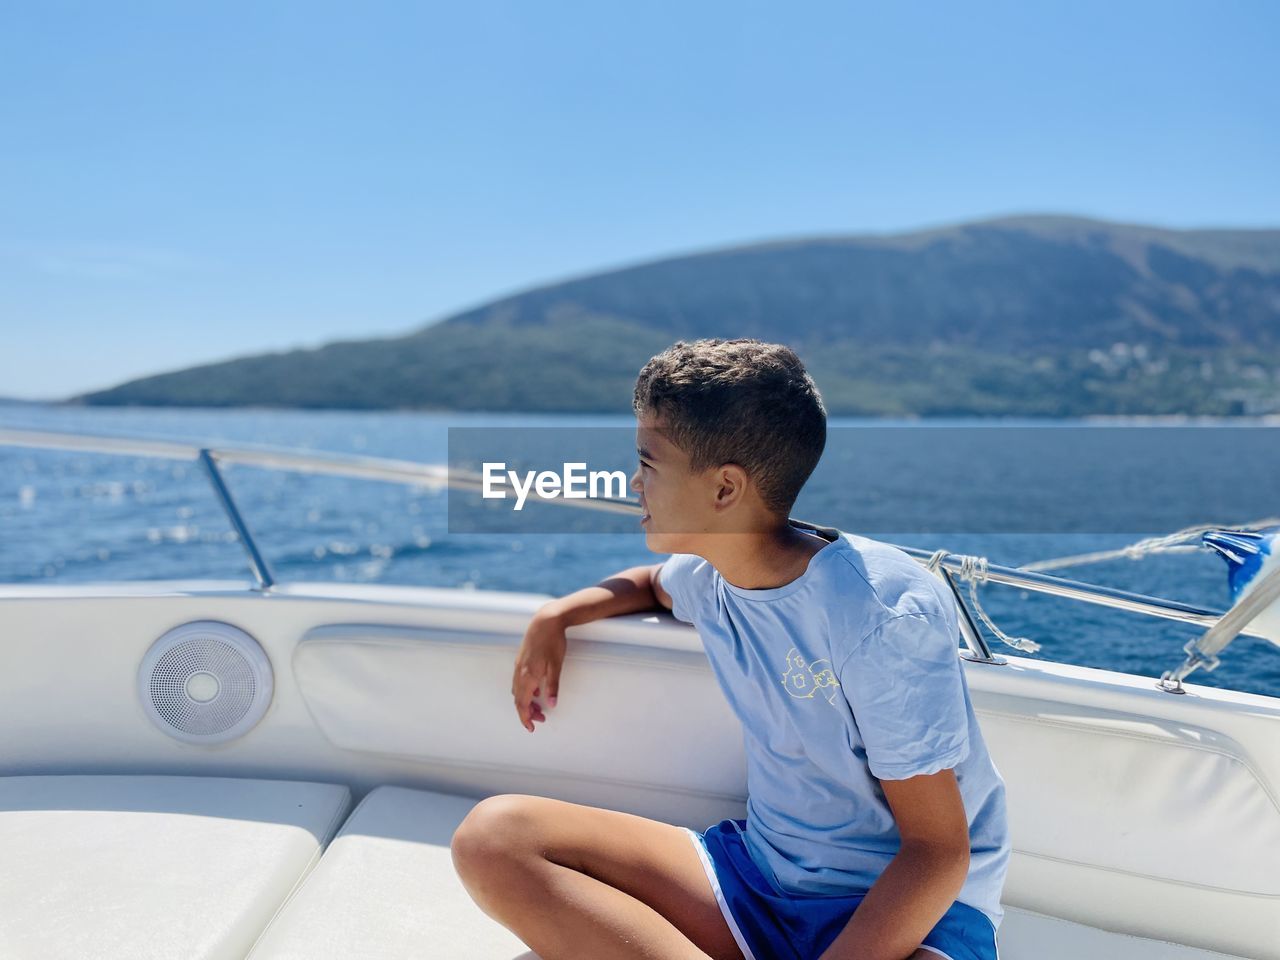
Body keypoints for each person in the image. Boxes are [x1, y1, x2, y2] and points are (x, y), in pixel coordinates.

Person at [451, 338, 1010, 960]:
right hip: (758, 878)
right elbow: (649, 588)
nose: (636, 483)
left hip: (904, 913)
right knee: (495, 839)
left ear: (724, 490)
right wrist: (557, 616)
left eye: (649, 462)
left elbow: (937, 853)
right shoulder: (712, 574)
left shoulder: (878, 612)